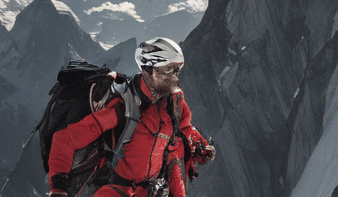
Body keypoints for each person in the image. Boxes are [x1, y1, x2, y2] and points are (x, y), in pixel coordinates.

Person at [46, 38, 215, 197]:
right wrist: (59, 189)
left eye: (177, 69)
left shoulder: (175, 104)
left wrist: (201, 146)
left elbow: (183, 130)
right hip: (118, 189)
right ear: (149, 70)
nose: (175, 76)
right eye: (169, 69)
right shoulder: (123, 107)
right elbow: (66, 138)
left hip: (154, 189)